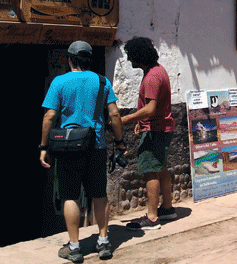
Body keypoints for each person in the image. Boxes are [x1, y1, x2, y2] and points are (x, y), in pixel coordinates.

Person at [39, 41, 126, 262]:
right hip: (96, 145)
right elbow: (114, 115)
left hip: (69, 147)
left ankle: (75, 247)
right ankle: (104, 242)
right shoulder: (102, 81)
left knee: (70, 195)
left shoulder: (59, 82)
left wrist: (43, 146)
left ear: (69, 59)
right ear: (89, 59)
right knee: (99, 193)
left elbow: (49, 116)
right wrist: (120, 142)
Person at [121, 37, 177, 230]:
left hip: (155, 130)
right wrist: (140, 121)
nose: (129, 60)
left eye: (130, 57)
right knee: (161, 168)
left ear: (138, 57)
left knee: (150, 170)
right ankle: (167, 208)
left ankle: (152, 218)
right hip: (161, 127)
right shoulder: (158, 70)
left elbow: (151, 109)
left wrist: (125, 119)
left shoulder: (152, 77)